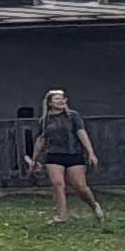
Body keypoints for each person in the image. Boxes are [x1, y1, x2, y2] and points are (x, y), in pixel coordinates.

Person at [37, 90, 104, 224]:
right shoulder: (45, 120)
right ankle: (62, 216)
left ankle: (94, 205)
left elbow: (82, 134)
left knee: (80, 186)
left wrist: (91, 153)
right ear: (50, 103)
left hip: (74, 154)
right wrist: (34, 159)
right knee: (58, 184)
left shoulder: (73, 116)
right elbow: (41, 139)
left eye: (63, 98)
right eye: (57, 99)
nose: (61, 101)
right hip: (53, 155)